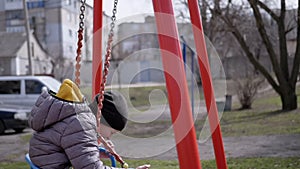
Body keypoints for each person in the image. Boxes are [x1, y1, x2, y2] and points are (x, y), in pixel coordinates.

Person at [28, 79, 150, 169]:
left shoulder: (77, 119)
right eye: (112, 132)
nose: (109, 137)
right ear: (102, 119)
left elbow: (74, 148)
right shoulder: (82, 126)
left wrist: (95, 151)